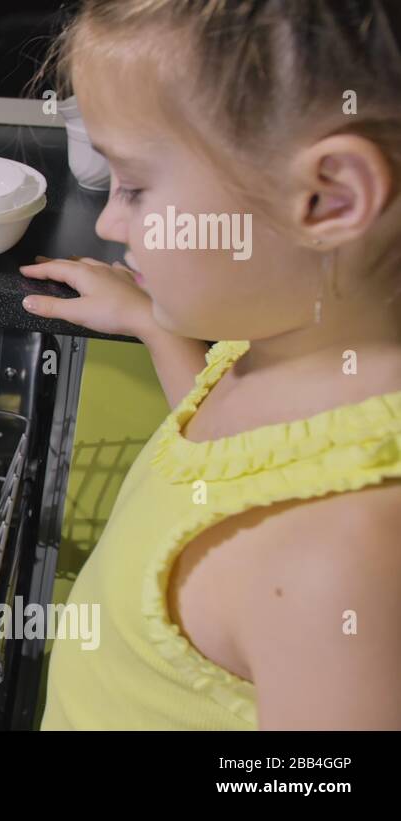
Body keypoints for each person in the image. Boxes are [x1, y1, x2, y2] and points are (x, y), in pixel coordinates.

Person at [22, 0, 401, 729]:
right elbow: (226, 451)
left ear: (328, 198)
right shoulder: (280, 340)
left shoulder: (339, 560)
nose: (107, 221)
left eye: (135, 186)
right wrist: (151, 324)